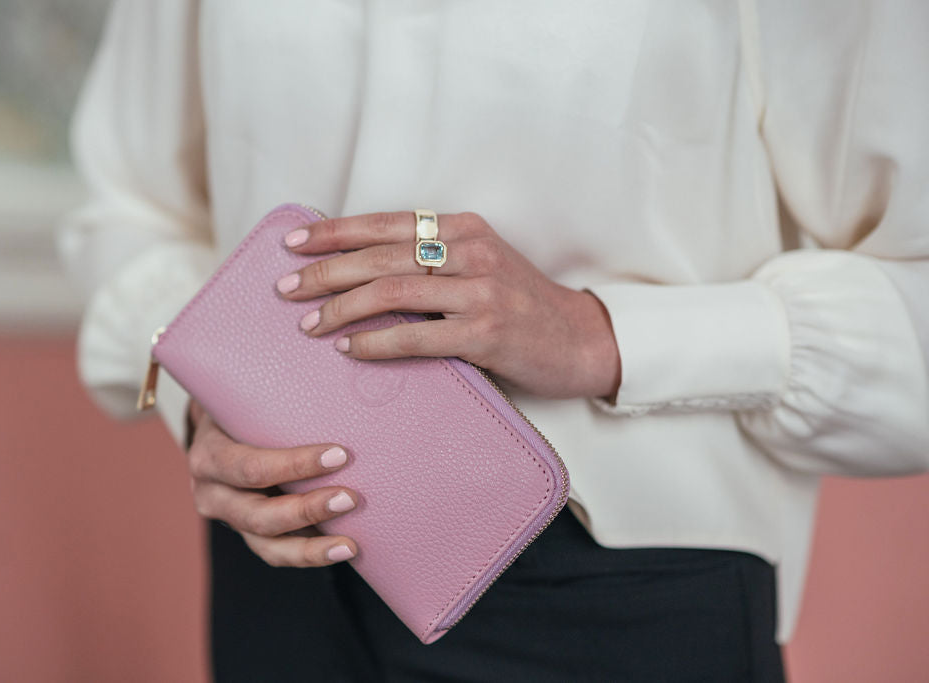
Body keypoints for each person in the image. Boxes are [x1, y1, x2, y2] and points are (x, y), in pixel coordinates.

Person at [59, 1, 929, 680]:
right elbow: (128, 207)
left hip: (621, 587)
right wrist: (204, 395)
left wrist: (601, 335)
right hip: (283, 571)